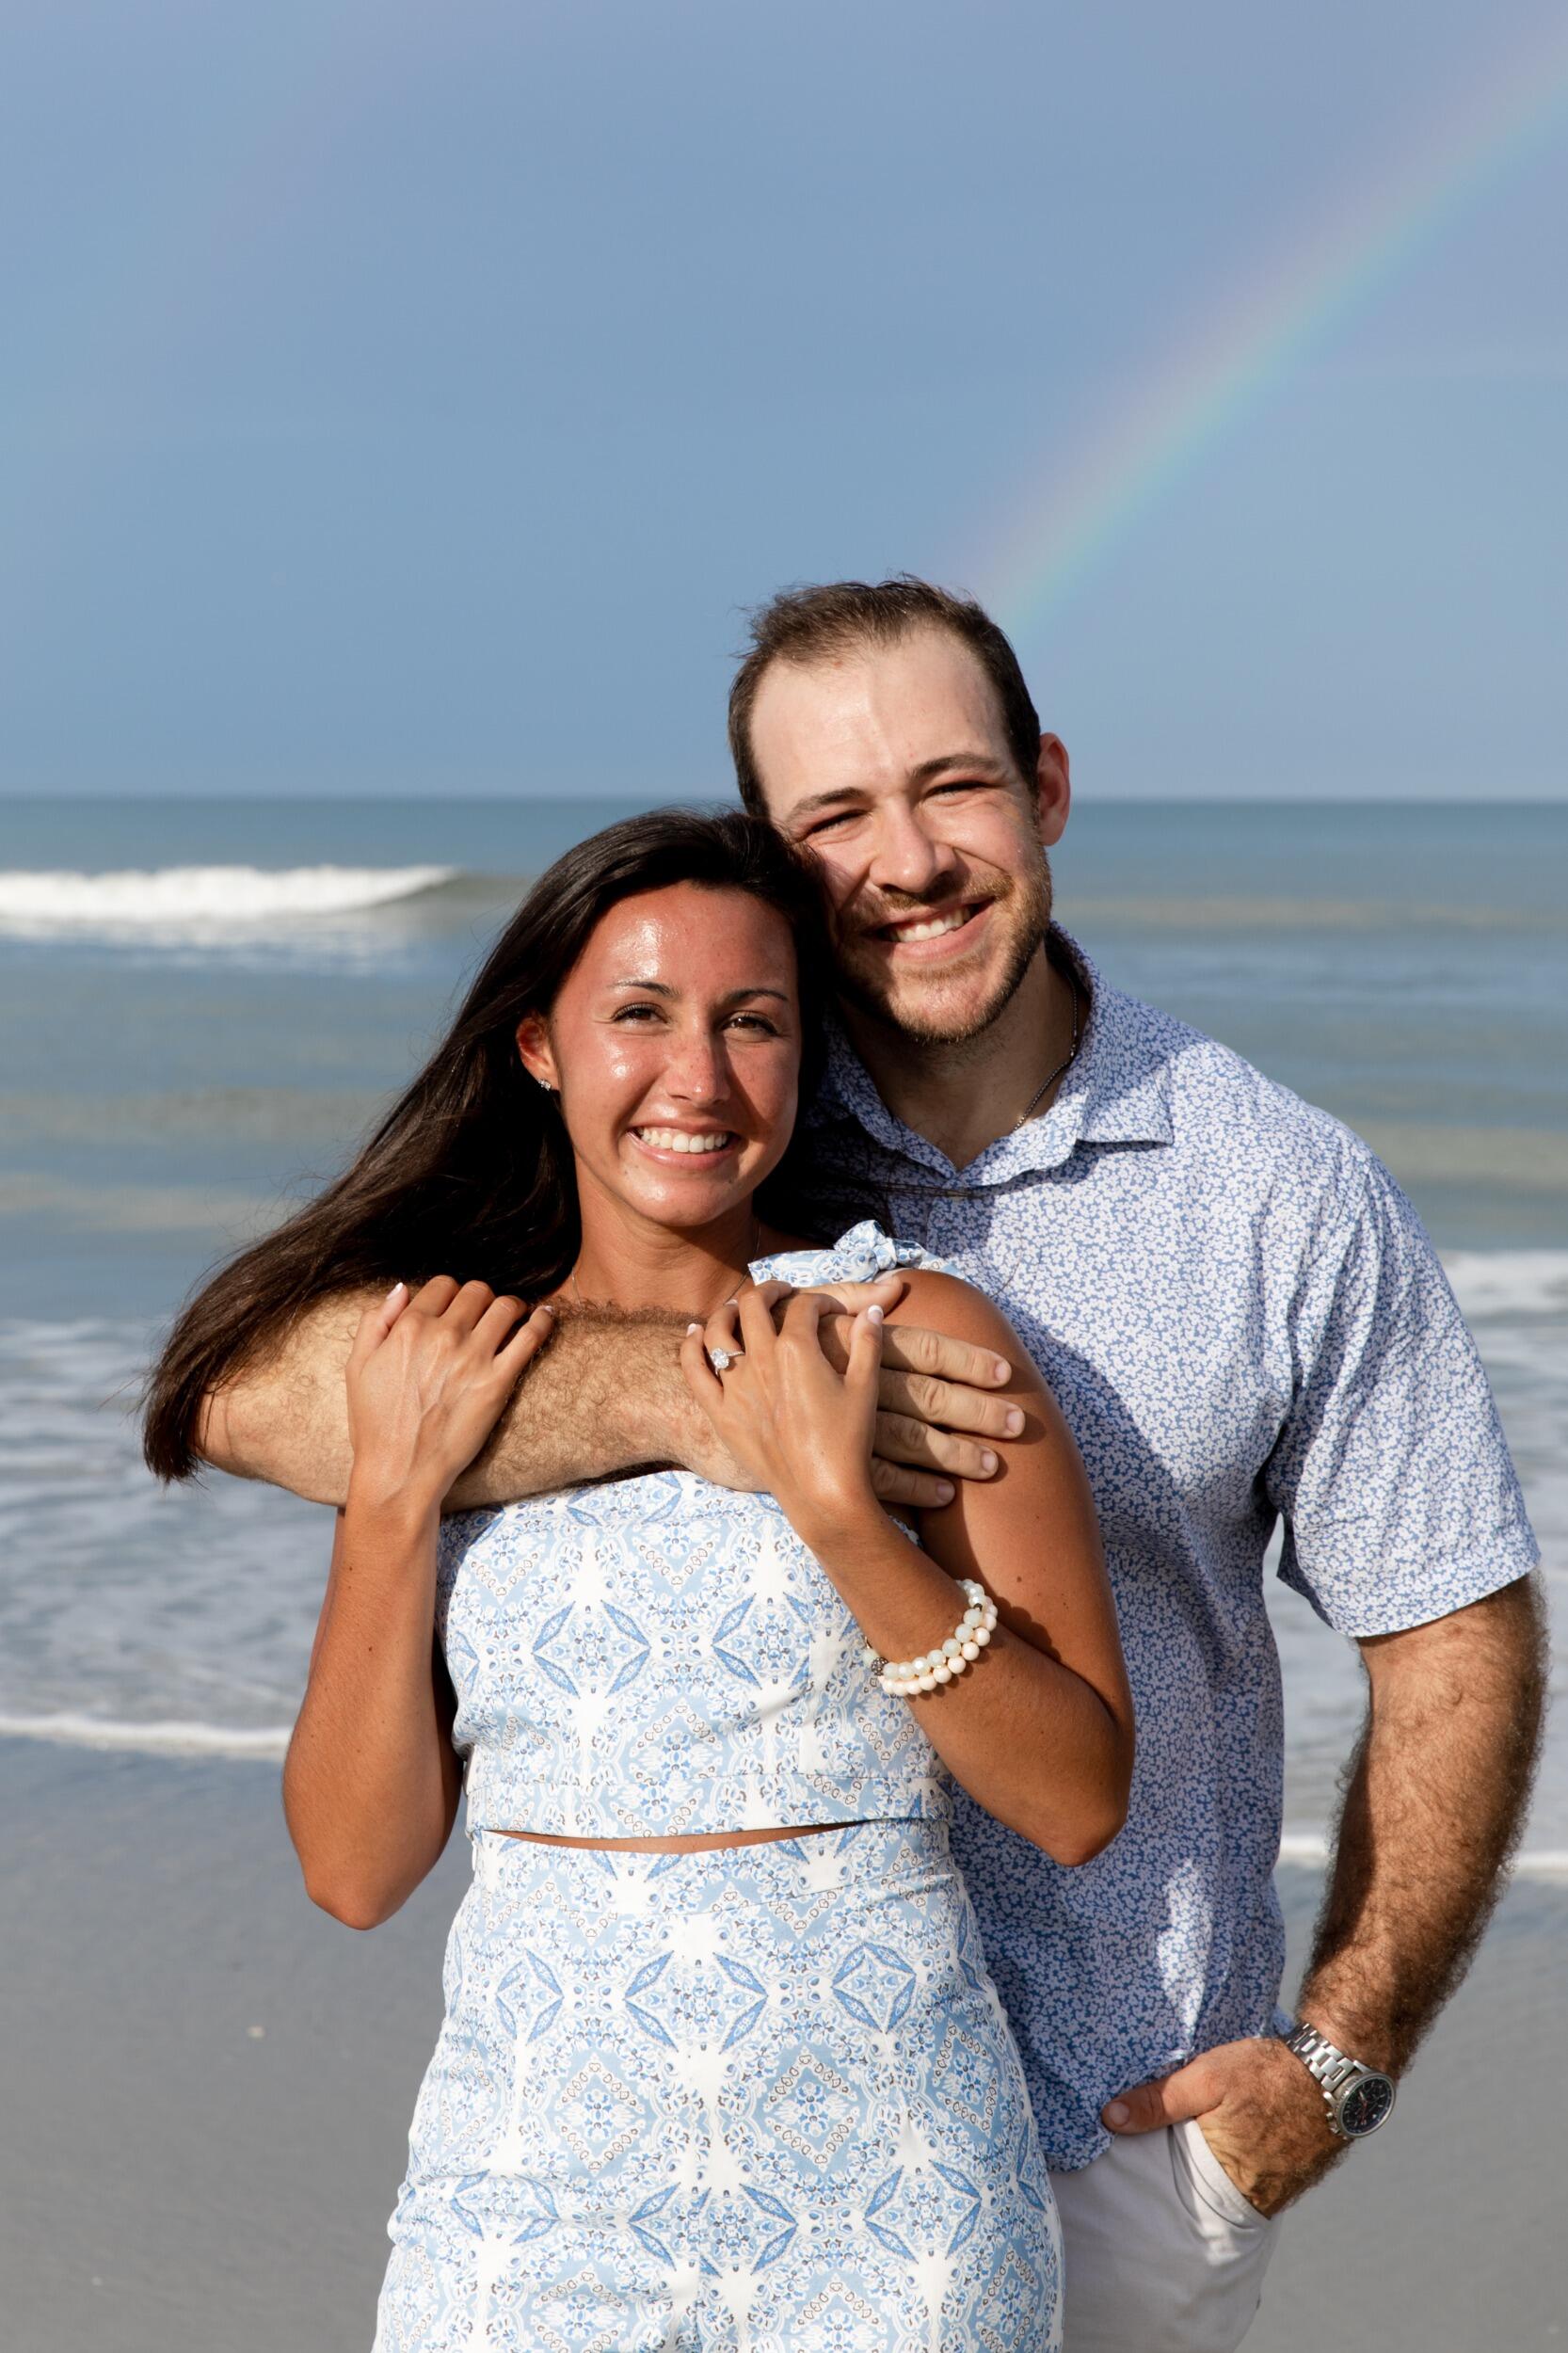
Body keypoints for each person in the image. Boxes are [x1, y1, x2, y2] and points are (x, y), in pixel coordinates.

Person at [163, 580, 1545, 2353]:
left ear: (1044, 786)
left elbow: (1448, 1631)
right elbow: (243, 1387)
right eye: (834, 816)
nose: (907, 857)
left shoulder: (1267, 1194)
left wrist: (1329, 2076)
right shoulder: (721, 1134)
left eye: (952, 787)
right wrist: (682, 1400)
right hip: (558, 2173)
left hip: (1117, 2121)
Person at [146, 808, 1135, 2351]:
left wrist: (841, 1519)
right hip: (528, 2190)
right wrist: (393, 1502)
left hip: (887, 2189)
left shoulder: (909, 1332)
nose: (699, 1080)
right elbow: (354, 1874)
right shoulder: (449, 1368)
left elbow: (1074, 1797)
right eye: (640, 1016)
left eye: (755, 1024)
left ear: (810, 1058)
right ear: (539, 1045)